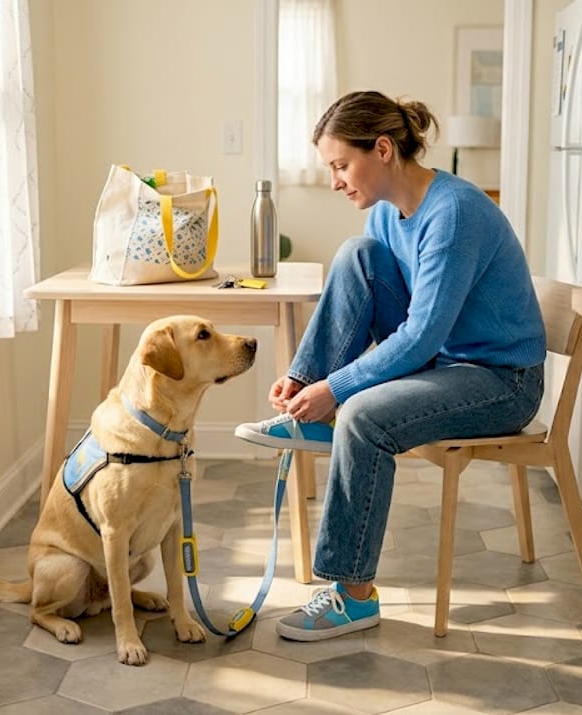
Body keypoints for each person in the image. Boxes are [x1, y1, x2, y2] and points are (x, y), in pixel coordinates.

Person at [234, 90, 547, 642]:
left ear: (381, 149)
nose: (335, 180)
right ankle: (304, 407)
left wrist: (340, 388)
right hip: (446, 363)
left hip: (500, 380)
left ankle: (353, 597)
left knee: (362, 416)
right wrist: (313, 380)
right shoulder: (385, 213)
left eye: (340, 165)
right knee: (358, 254)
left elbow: (421, 333)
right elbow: (403, 324)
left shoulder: (453, 213)